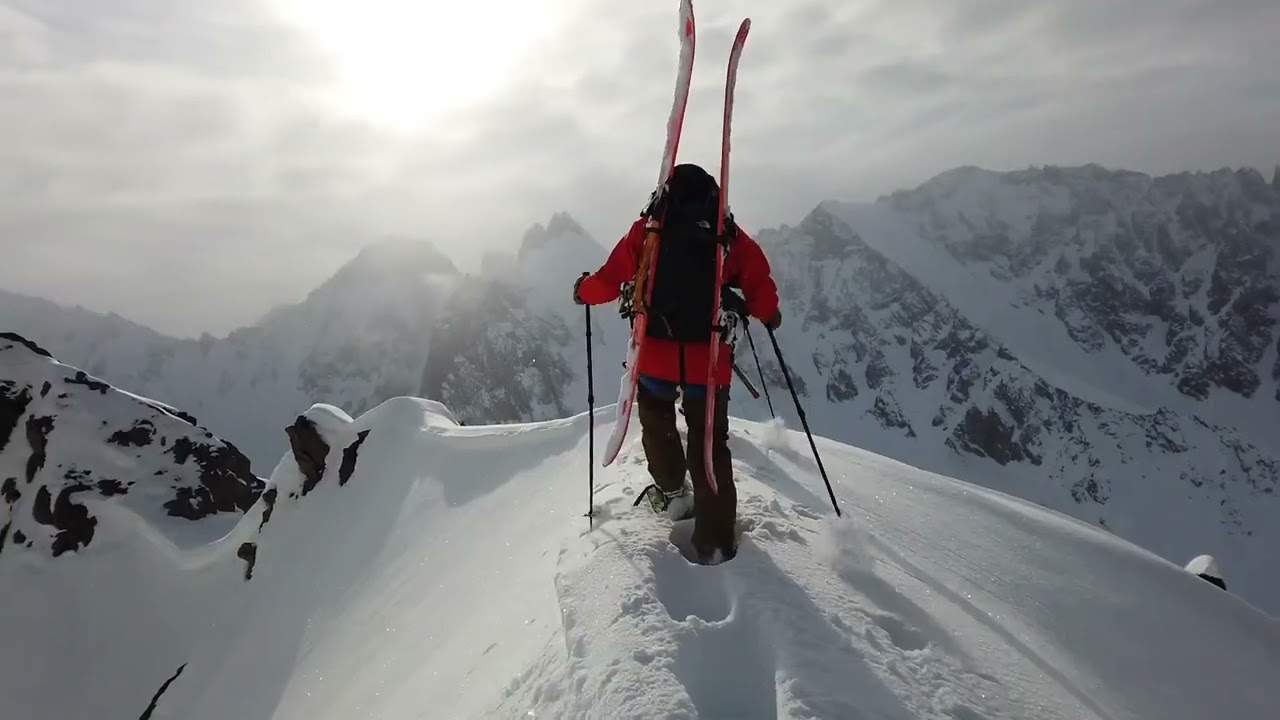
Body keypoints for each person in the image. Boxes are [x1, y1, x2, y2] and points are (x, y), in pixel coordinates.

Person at [573, 163, 781, 563]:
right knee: (710, 445)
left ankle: (671, 492)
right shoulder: (727, 234)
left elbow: (609, 279)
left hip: (655, 353)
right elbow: (759, 285)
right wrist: (770, 314)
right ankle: (715, 540)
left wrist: (583, 290)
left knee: (656, 422)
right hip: (709, 359)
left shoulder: (649, 230)